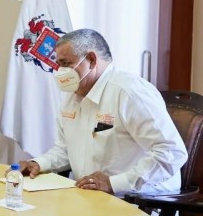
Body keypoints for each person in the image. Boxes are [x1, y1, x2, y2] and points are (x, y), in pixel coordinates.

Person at [19, 28, 187, 197]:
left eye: (65, 63)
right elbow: (65, 150)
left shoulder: (129, 92)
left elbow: (172, 153)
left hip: (143, 198)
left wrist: (114, 183)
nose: (60, 72)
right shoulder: (72, 96)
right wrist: (39, 164)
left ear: (91, 60)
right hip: (90, 195)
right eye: (58, 64)